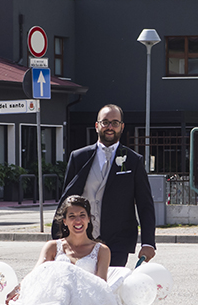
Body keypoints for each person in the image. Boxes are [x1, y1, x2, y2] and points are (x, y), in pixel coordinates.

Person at [56, 104, 156, 267]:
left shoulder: (133, 161)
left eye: (115, 123)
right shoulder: (79, 157)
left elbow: (145, 205)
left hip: (118, 241)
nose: (110, 127)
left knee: (110, 287)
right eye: (105, 122)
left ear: (122, 127)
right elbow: (66, 201)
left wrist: (148, 242)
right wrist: (58, 236)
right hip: (81, 238)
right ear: (97, 126)